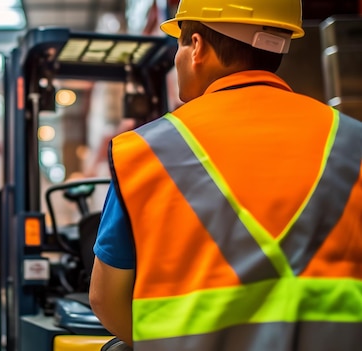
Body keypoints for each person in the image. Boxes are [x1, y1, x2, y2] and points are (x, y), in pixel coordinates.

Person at [89, 1, 362, 350]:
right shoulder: (353, 141)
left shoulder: (144, 152)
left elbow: (104, 298)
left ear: (197, 47)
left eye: (180, 44)